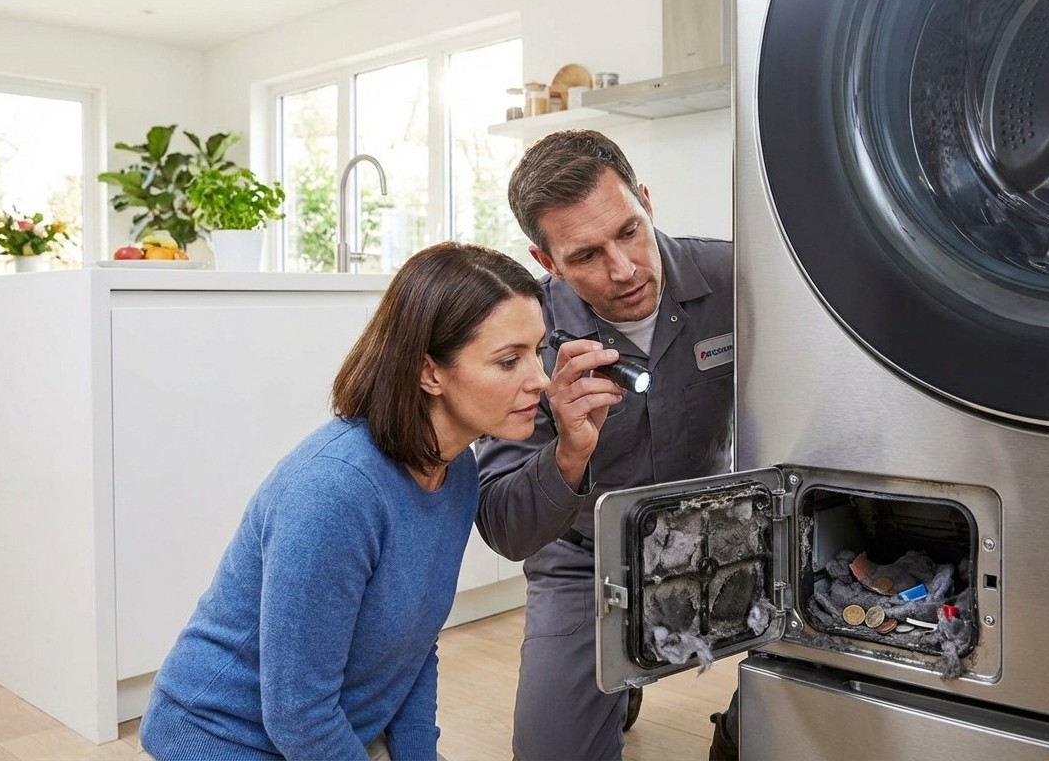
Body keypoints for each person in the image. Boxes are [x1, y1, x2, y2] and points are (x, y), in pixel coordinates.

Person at [139, 241, 550, 761]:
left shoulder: (457, 470)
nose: (540, 379)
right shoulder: (334, 493)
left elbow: (414, 648)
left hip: (335, 729)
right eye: (510, 360)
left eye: (538, 350)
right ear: (430, 373)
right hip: (222, 736)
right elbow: (297, 716)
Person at [475, 129, 736, 760]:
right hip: (586, 560)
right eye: (586, 255)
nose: (623, 271)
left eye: (628, 231)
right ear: (547, 262)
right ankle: (616, 670)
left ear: (646, 201)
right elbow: (506, 527)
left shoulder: (740, 279)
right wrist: (566, 449)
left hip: (727, 534)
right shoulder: (521, 336)